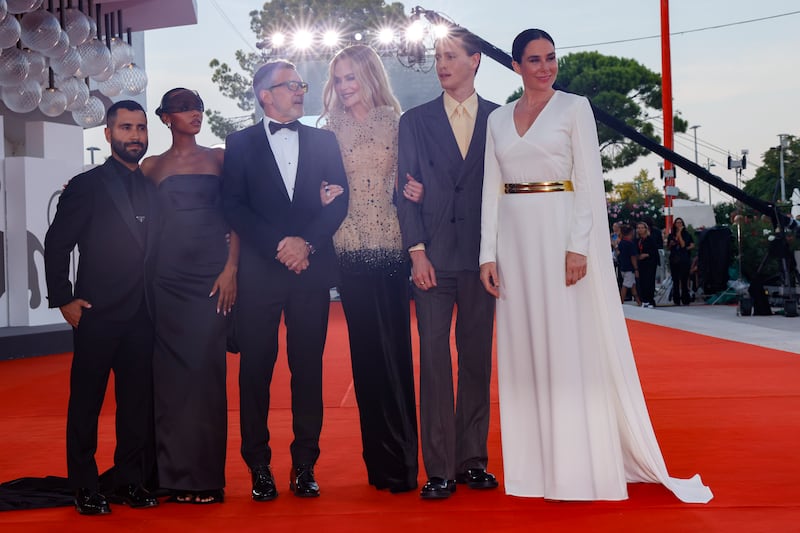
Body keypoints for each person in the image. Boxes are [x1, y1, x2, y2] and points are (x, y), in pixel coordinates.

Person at [478, 29, 712, 503]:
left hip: (562, 233)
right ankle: (534, 469)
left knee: (568, 347)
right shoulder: (498, 119)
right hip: (515, 244)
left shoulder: (574, 107)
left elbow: (588, 180)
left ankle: (577, 467)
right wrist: (487, 252)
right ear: (516, 64)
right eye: (534, 59)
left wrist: (579, 245)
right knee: (524, 351)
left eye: (550, 58)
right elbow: (491, 187)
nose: (545, 68)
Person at [221, 60, 348, 500]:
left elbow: (338, 202)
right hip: (259, 272)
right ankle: (258, 465)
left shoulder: (324, 140)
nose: (300, 91)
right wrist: (280, 245)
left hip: (309, 272)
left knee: (307, 370)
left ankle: (304, 464)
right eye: (291, 85)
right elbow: (234, 207)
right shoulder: (238, 143)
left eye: (301, 85)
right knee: (255, 371)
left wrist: (305, 245)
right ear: (265, 95)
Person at [396, 27, 499, 500]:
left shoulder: (501, 120)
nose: (441, 64)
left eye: (451, 56)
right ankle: (438, 468)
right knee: (434, 364)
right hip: (432, 260)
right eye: (437, 56)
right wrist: (416, 250)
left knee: (476, 359)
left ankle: (472, 460)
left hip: (482, 261)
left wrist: (496, 253)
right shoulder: (414, 121)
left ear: (475, 60)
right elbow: (405, 190)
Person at [44, 100, 160, 515]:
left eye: (141, 128)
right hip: (95, 312)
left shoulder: (152, 186)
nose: (135, 135)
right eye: (126, 128)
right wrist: (63, 299)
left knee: (137, 406)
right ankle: (85, 486)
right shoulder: (87, 185)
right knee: (87, 403)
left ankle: (131, 481)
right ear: (108, 134)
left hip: (143, 316)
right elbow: (57, 244)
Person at [317, 45, 418, 493]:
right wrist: (319, 196)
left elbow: (410, 180)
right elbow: (315, 185)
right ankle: (379, 465)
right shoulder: (327, 129)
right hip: (348, 246)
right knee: (366, 356)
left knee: (395, 350)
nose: (344, 87)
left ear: (371, 77)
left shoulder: (396, 124)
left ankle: (404, 464)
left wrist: (416, 190)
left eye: (351, 78)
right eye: (338, 80)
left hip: (393, 244)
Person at [140, 88, 238, 505]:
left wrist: (232, 269)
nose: (194, 114)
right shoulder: (150, 166)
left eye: (197, 106)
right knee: (171, 381)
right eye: (183, 109)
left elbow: (237, 217)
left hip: (212, 278)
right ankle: (174, 477)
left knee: (206, 373)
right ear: (166, 118)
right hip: (166, 279)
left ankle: (207, 478)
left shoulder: (219, 157)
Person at [668, 217, 694, 305]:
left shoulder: (686, 234)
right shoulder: (671, 235)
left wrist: (679, 234)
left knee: (684, 279)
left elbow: (683, 245)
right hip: (674, 258)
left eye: (680, 223)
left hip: (684, 259)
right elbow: (669, 246)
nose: (679, 224)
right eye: (677, 223)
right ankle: (676, 299)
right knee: (675, 280)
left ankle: (685, 299)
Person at [635, 221, 660, 308]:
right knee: (642, 282)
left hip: (650, 264)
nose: (640, 230)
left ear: (646, 229)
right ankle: (644, 300)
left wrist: (646, 255)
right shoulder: (638, 240)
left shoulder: (650, 239)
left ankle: (650, 301)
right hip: (641, 264)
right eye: (639, 228)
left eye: (642, 228)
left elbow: (654, 252)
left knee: (649, 282)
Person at [617, 224, 641, 306]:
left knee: (632, 284)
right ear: (630, 233)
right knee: (626, 285)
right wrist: (636, 268)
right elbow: (633, 257)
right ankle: (621, 302)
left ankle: (638, 301)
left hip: (623, 267)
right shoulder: (630, 244)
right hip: (629, 268)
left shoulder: (621, 243)